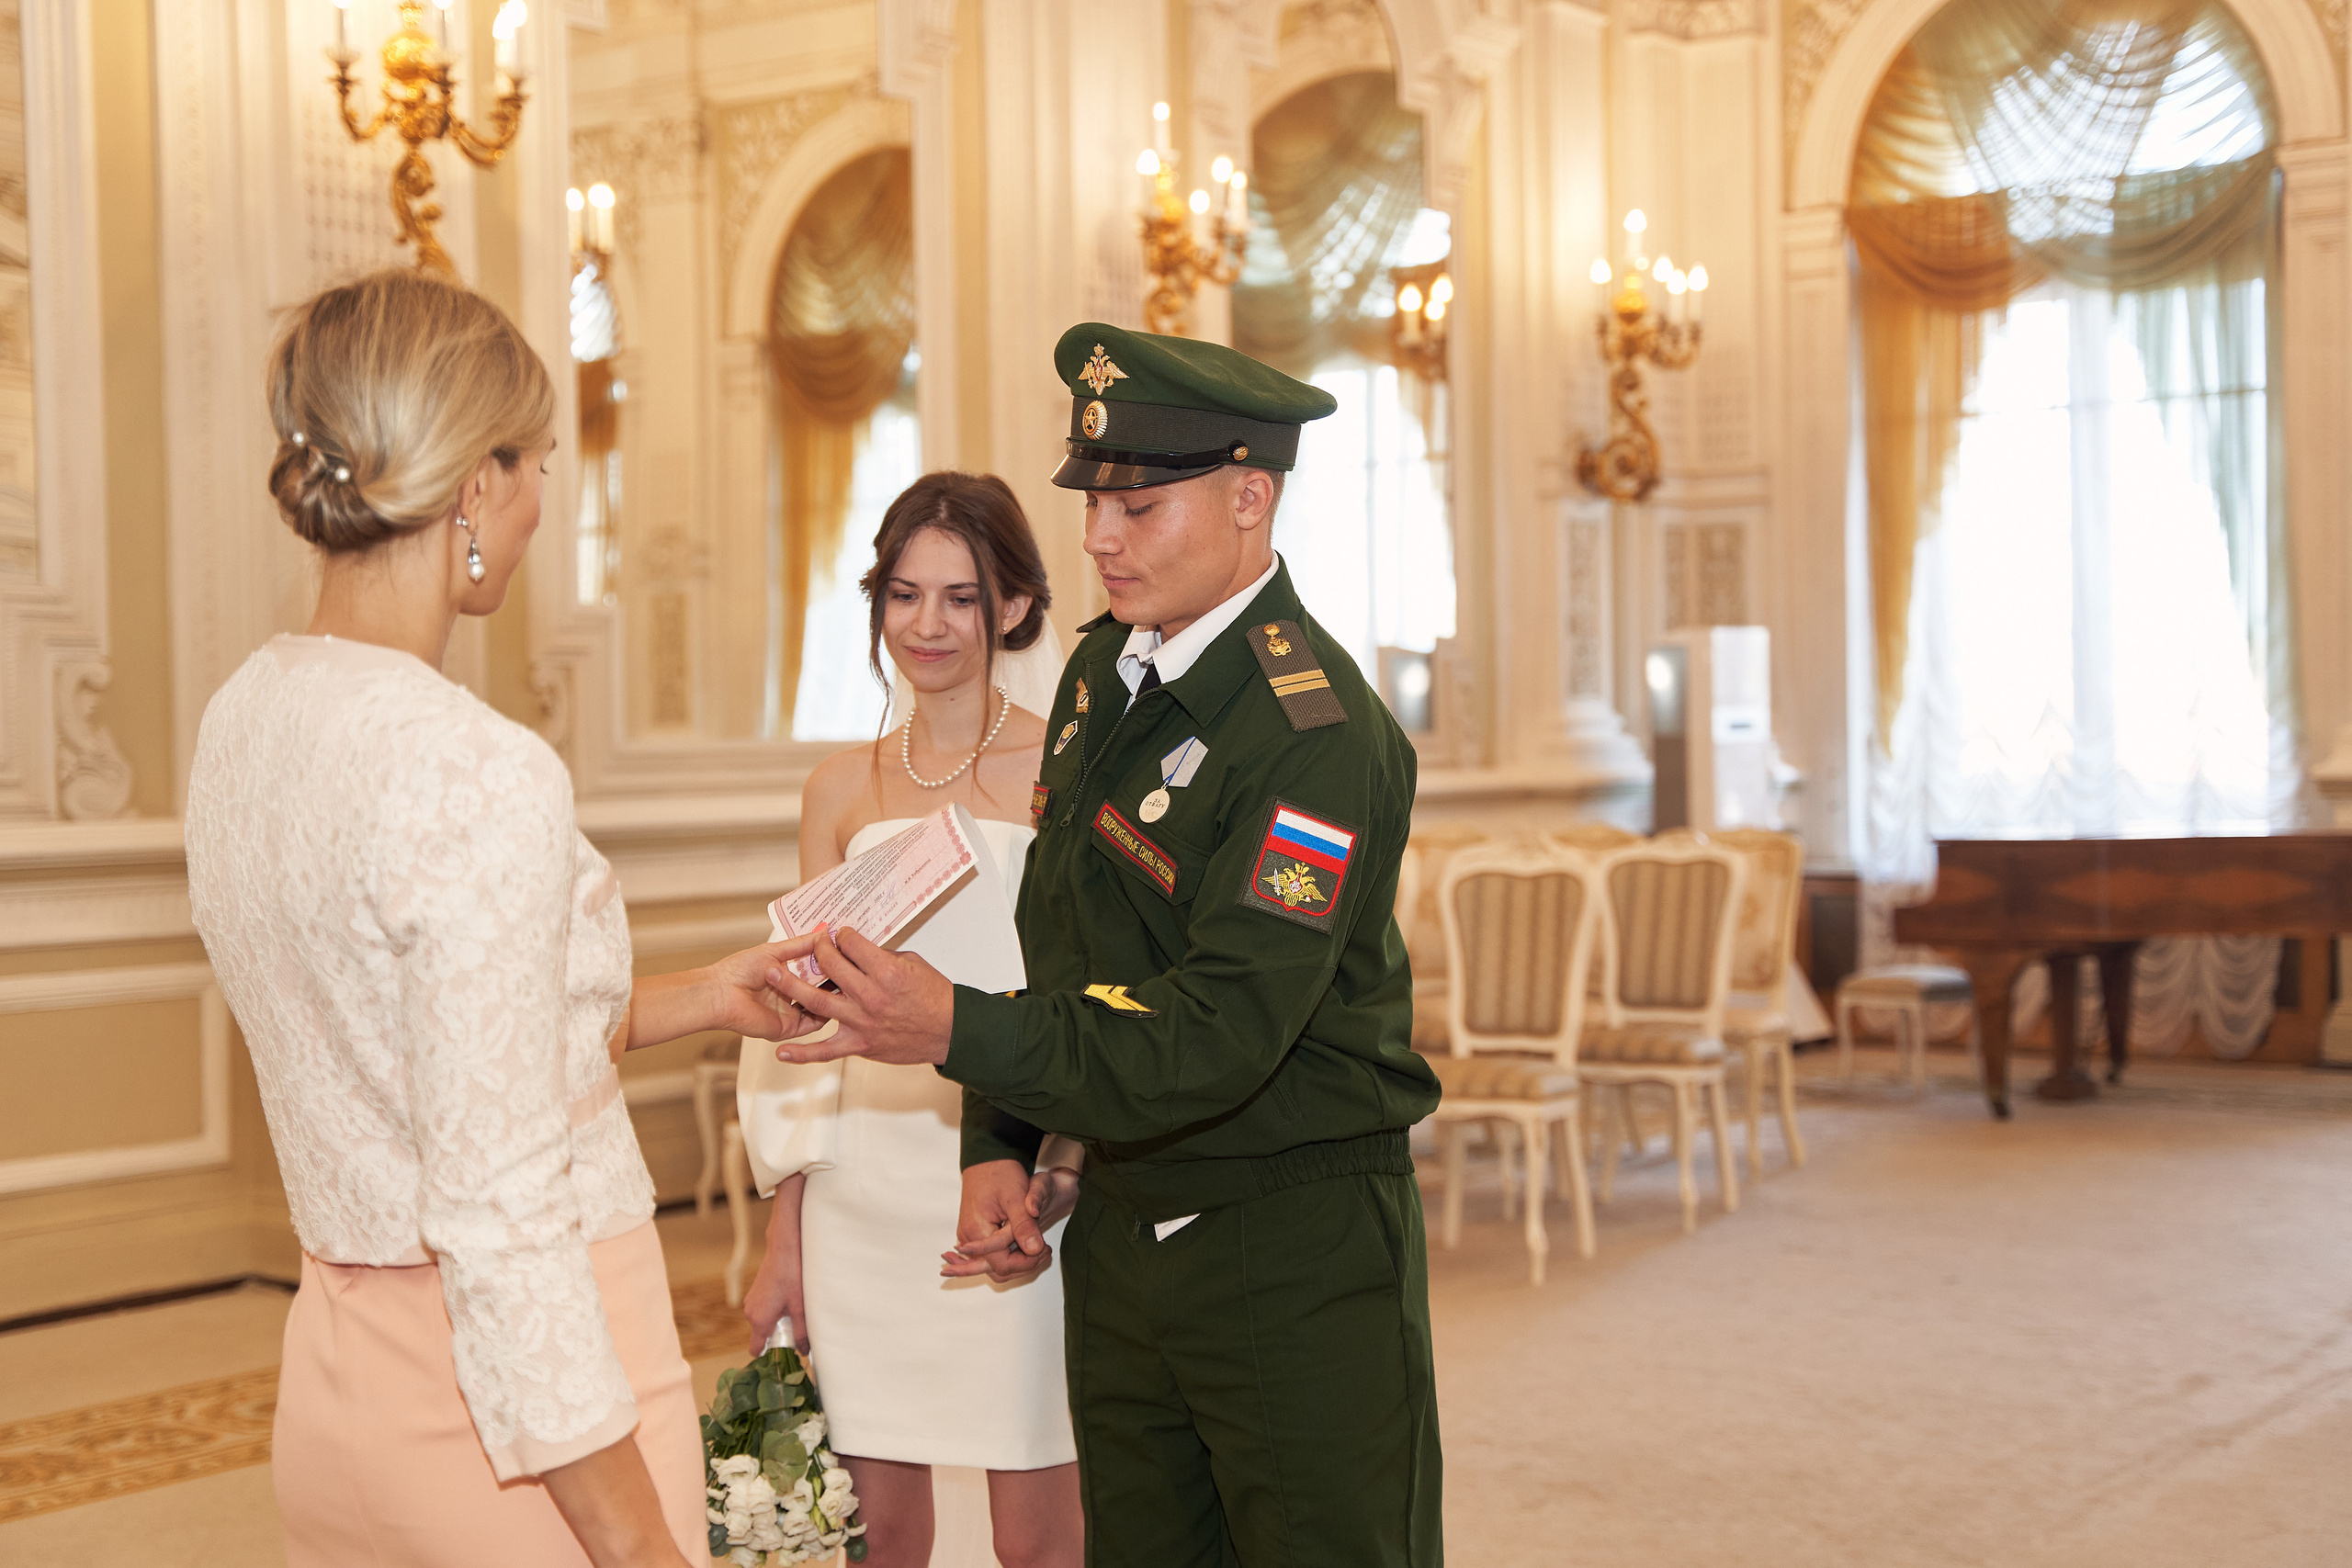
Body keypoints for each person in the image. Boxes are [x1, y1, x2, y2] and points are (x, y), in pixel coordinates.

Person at [759, 323, 1443, 1567]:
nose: (1099, 535)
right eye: (1095, 500)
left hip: (1283, 1232)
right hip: (1119, 1226)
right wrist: (1001, 1141)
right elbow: (1062, 938)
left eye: (1140, 500)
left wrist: (952, 1026)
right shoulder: (1100, 679)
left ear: (1251, 496)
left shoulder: (1316, 736)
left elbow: (1221, 1028)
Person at [186, 269, 800, 1568]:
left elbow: (421, 1044)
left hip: (338, 1379)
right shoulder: (474, 768)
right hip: (522, 1434)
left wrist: (707, 991)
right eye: (534, 467)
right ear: (475, 482)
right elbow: (498, 1206)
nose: (538, 506)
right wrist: (641, 1544)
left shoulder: (246, 716)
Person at [738, 471, 1085, 1568]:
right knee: (881, 1539)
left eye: (962, 597)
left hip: (1020, 1178)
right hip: (862, 1196)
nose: (926, 626)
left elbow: (1094, 999)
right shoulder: (838, 789)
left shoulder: (1068, 773)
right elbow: (797, 1023)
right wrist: (782, 1232)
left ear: (1017, 606)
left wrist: (1063, 1157)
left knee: (1041, 1537)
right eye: (901, 595)